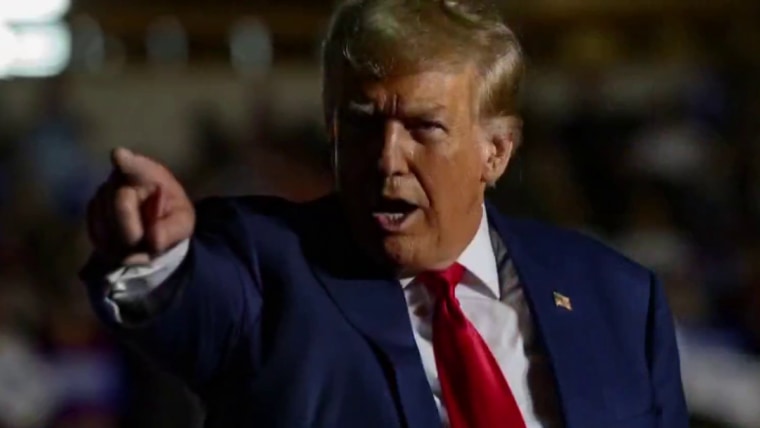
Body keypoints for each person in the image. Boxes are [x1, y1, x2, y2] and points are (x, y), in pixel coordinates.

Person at [80, 1, 688, 427]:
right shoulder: (265, 265)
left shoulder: (617, 297)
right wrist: (155, 257)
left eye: (425, 127)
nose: (387, 158)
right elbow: (192, 299)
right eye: (363, 125)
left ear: (496, 152)